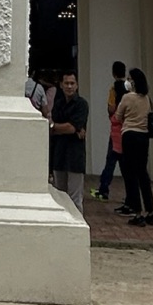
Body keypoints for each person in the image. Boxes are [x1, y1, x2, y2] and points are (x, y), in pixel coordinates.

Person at [114, 66, 153, 226]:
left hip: (129, 135)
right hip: (143, 136)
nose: (128, 81)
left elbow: (118, 117)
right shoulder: (146, 98)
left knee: (131, 174)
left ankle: (137, 212)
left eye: (130, 79)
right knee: (143, 174)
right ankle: (151, 211)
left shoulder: (127, 98)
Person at [48, 70, 88, 208]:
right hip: (59, 155)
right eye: (66, 83)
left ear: (77, 85)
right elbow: (57, 127)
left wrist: (56, 127)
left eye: (72, 83)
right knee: (59, 197)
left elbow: (70, 127)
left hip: (75, 157)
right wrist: (64, 127)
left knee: (74, 199)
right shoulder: (58, 104)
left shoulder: (81, 104)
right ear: (61, 84)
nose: (69, 86)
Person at [92, 59, 126, 200]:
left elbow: (111, 108)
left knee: (110, 161)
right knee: (126, 164)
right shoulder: (130, 89)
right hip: (128, 130)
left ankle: (103, 189)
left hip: (116, 130)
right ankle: (131, 195)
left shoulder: (114, 89)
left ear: (113, 73)